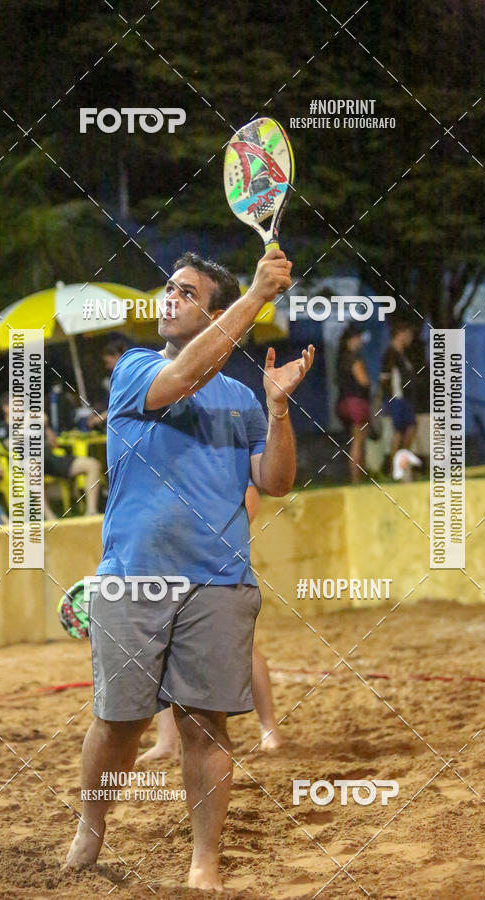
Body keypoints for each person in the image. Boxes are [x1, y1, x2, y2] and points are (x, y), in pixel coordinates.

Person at [65, 248, 315, 891]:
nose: (168, 298)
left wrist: (280, 409)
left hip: (219, 581)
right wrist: (258, 296)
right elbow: (178, 381)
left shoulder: (243, 397)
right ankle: (90, 831)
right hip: (133, 575)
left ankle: (204, 862)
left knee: (205, 724)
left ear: (212, 308)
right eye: (168, 288)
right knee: (119, 723)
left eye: (186, 291)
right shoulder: (135, 369)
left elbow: (276, 481)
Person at [138, 483, 281, 762]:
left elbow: (250, 498)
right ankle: (167, 741)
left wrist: (213, 540)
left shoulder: (219, 452)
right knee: (163, 648)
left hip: (216, 565)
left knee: (240, 647)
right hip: (168, 565)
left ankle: (269, 728)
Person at [0, 394, 102, 518]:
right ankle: (49, 516)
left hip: (49, 459)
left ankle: (91, 512)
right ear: (6, 408)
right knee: (33, 465)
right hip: (25, 462)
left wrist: (45, 425)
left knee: (93, 465)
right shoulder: (3, 427)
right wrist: (25, 424)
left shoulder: (33, 420)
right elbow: (10, 445)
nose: (21, 407)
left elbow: (54, 443)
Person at [335, 322, 371, 483]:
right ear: (352, 340)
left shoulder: (340, 358)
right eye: (357, 338)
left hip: (343, 402)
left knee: (354, 440)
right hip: (356, 402)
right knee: (359, 442)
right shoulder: (355, 357)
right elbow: (363, 381)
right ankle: (357, 478)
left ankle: (356, 477)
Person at [380, 322, 417, 472]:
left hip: (405, 398)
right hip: (397, 398)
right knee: (398, 431)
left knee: (410, 428)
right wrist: (390, 399)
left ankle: (402, 463)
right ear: (400, 334)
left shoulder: (402, 355)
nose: (410, 338)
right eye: (407, 334)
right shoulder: (390, 355)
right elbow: (384, 379)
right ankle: (395, 468)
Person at [86, 338, 129, 430]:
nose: (107, 366)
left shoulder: (126, 377)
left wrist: (100, 418)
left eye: (108, 362)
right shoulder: (118, 377)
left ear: (117, 356)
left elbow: (123, 405)